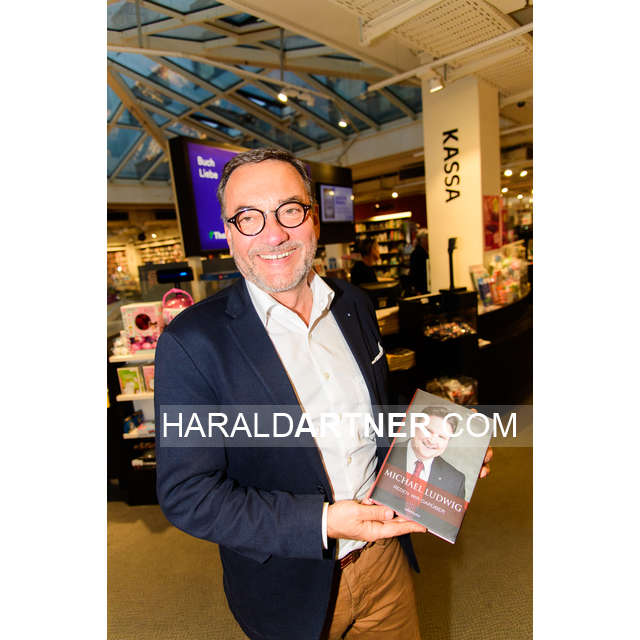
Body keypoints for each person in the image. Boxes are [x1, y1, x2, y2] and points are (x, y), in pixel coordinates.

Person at [154, 148, 491, 640]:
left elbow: (375, 414)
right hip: (287, 583)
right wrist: (323, 521)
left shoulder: (354, 304)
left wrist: (447, 449)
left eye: (289, 210)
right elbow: (188, 495)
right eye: (248, 217)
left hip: (385, 561)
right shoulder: (192, 342)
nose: (273, 234)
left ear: (313, 217)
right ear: (228, 232)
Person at [386, 406, 466, 500]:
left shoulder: (456, 481)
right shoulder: (386, 452)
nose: (432, 441)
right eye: (428, 430)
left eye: (441, 437)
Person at [409, 228, 429, 294]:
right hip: (421, 287)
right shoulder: (417, 253)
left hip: (424, 286)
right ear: (422, 239)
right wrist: (417, 289)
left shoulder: (424, 251)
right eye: (427, 238)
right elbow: (414, 272)